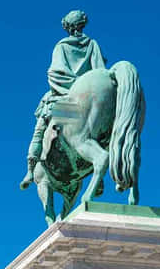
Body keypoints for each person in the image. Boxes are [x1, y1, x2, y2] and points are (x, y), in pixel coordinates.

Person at [20, 10, 107, 190]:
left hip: (66, 98)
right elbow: (100, 71)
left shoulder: (61, 46)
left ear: (68, 27)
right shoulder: (92, 44)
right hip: (91, 97)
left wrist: (72, 88)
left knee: (40, 129)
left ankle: (30, 170)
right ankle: (99, 178)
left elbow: (55, 73)